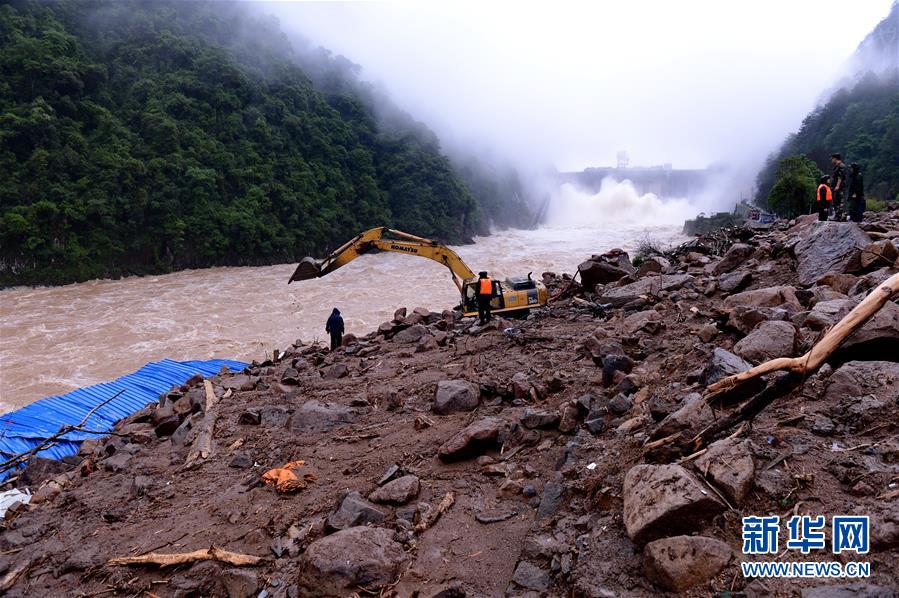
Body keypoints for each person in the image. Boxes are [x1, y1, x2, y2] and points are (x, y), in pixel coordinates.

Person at [830, 153, 847, 220]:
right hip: (835, 186)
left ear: (835, 159)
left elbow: (840, 177)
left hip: (839, 187)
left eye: (832, 159)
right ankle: (837, 215)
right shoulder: (836, 166)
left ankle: (839, 216)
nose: (831, 160)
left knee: (839, 201)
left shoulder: (841, 166)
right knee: (835, 201)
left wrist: (837, 186)